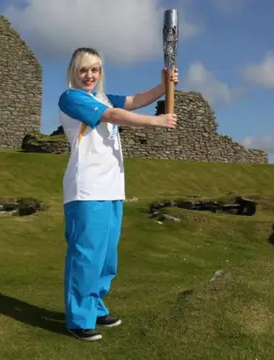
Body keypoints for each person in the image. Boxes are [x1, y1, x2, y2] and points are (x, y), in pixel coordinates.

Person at [57, 47, 179, 341]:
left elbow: (136, 101)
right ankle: (78, 319)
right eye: (84, 69)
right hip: (86, 190)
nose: (90, 75)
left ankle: (96, 306)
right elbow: (113, 115)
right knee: (86, 255)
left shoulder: (103, 97)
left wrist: (164, 85)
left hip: (112, 188)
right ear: (74, 71)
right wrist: (156, 121)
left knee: (106, 256)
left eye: (95, 70)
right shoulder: (72, 98)